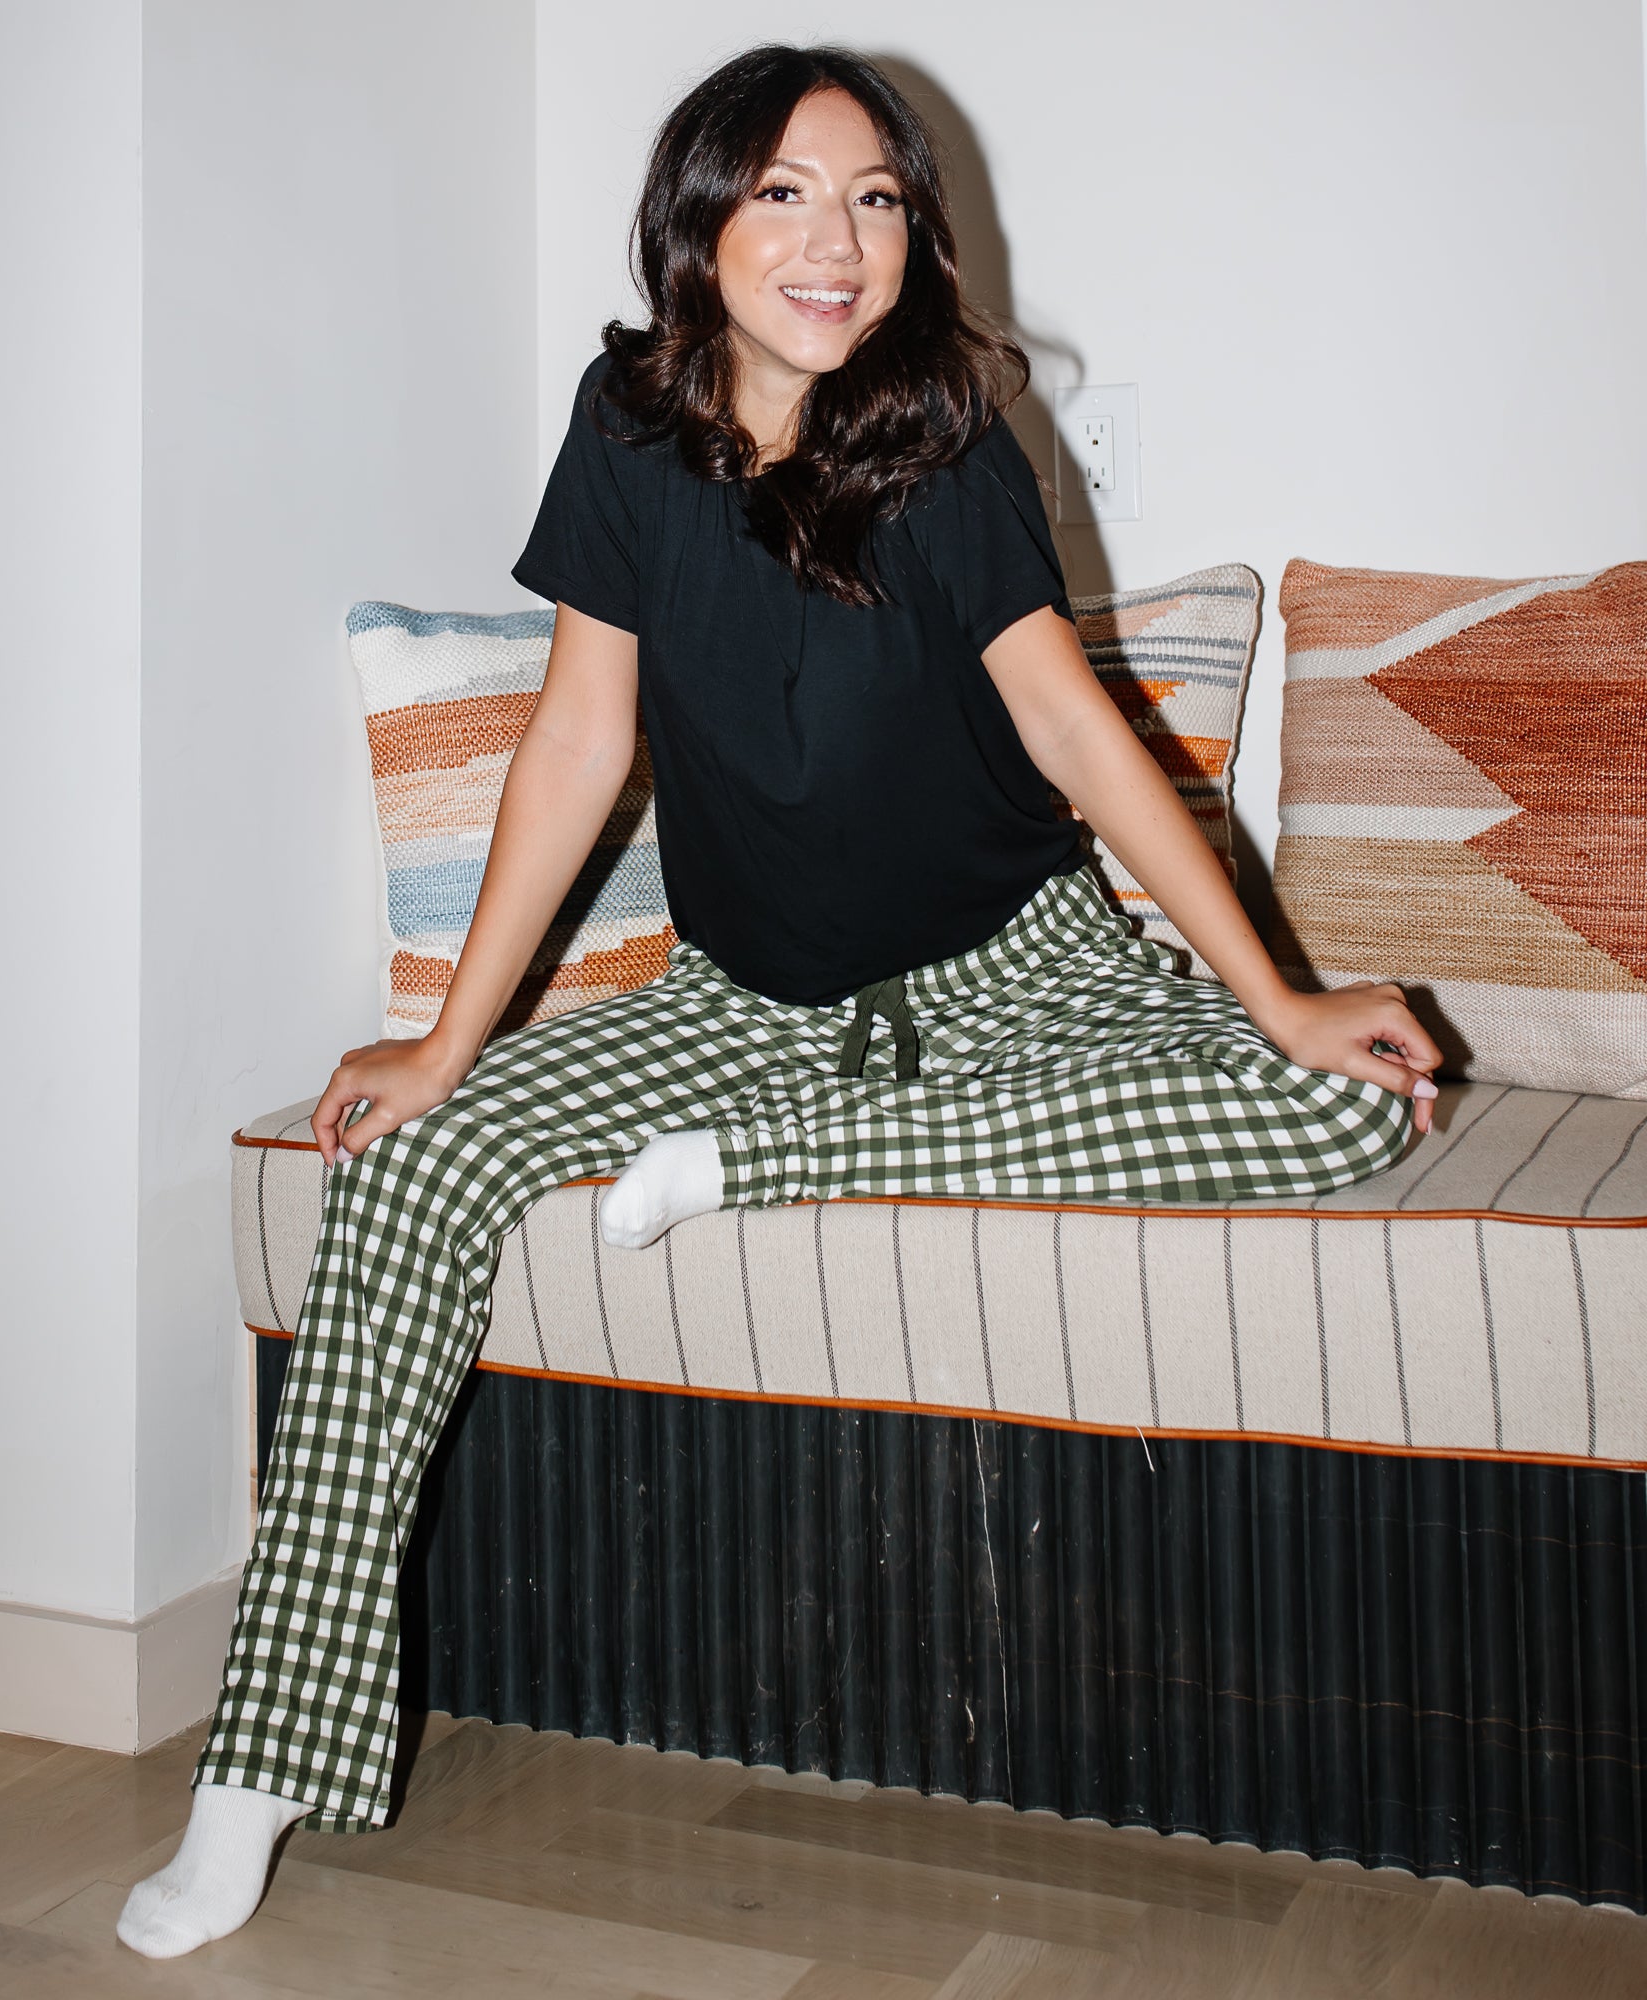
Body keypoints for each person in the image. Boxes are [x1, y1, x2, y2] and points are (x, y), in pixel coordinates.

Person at [119, 43, 1438, 1959]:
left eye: (877, 199)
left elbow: (1073, 725)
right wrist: (451, 1045)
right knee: (408, 1168)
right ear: (701, 224)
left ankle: (752, 1166)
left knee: (1334, 1100)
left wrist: (1283, 996)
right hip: (741, 1001)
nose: (839, 241)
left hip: (1013, 980)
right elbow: (580, 739)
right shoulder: (626, 430)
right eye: (789, 195)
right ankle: (253, 1777)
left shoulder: (951, 442)